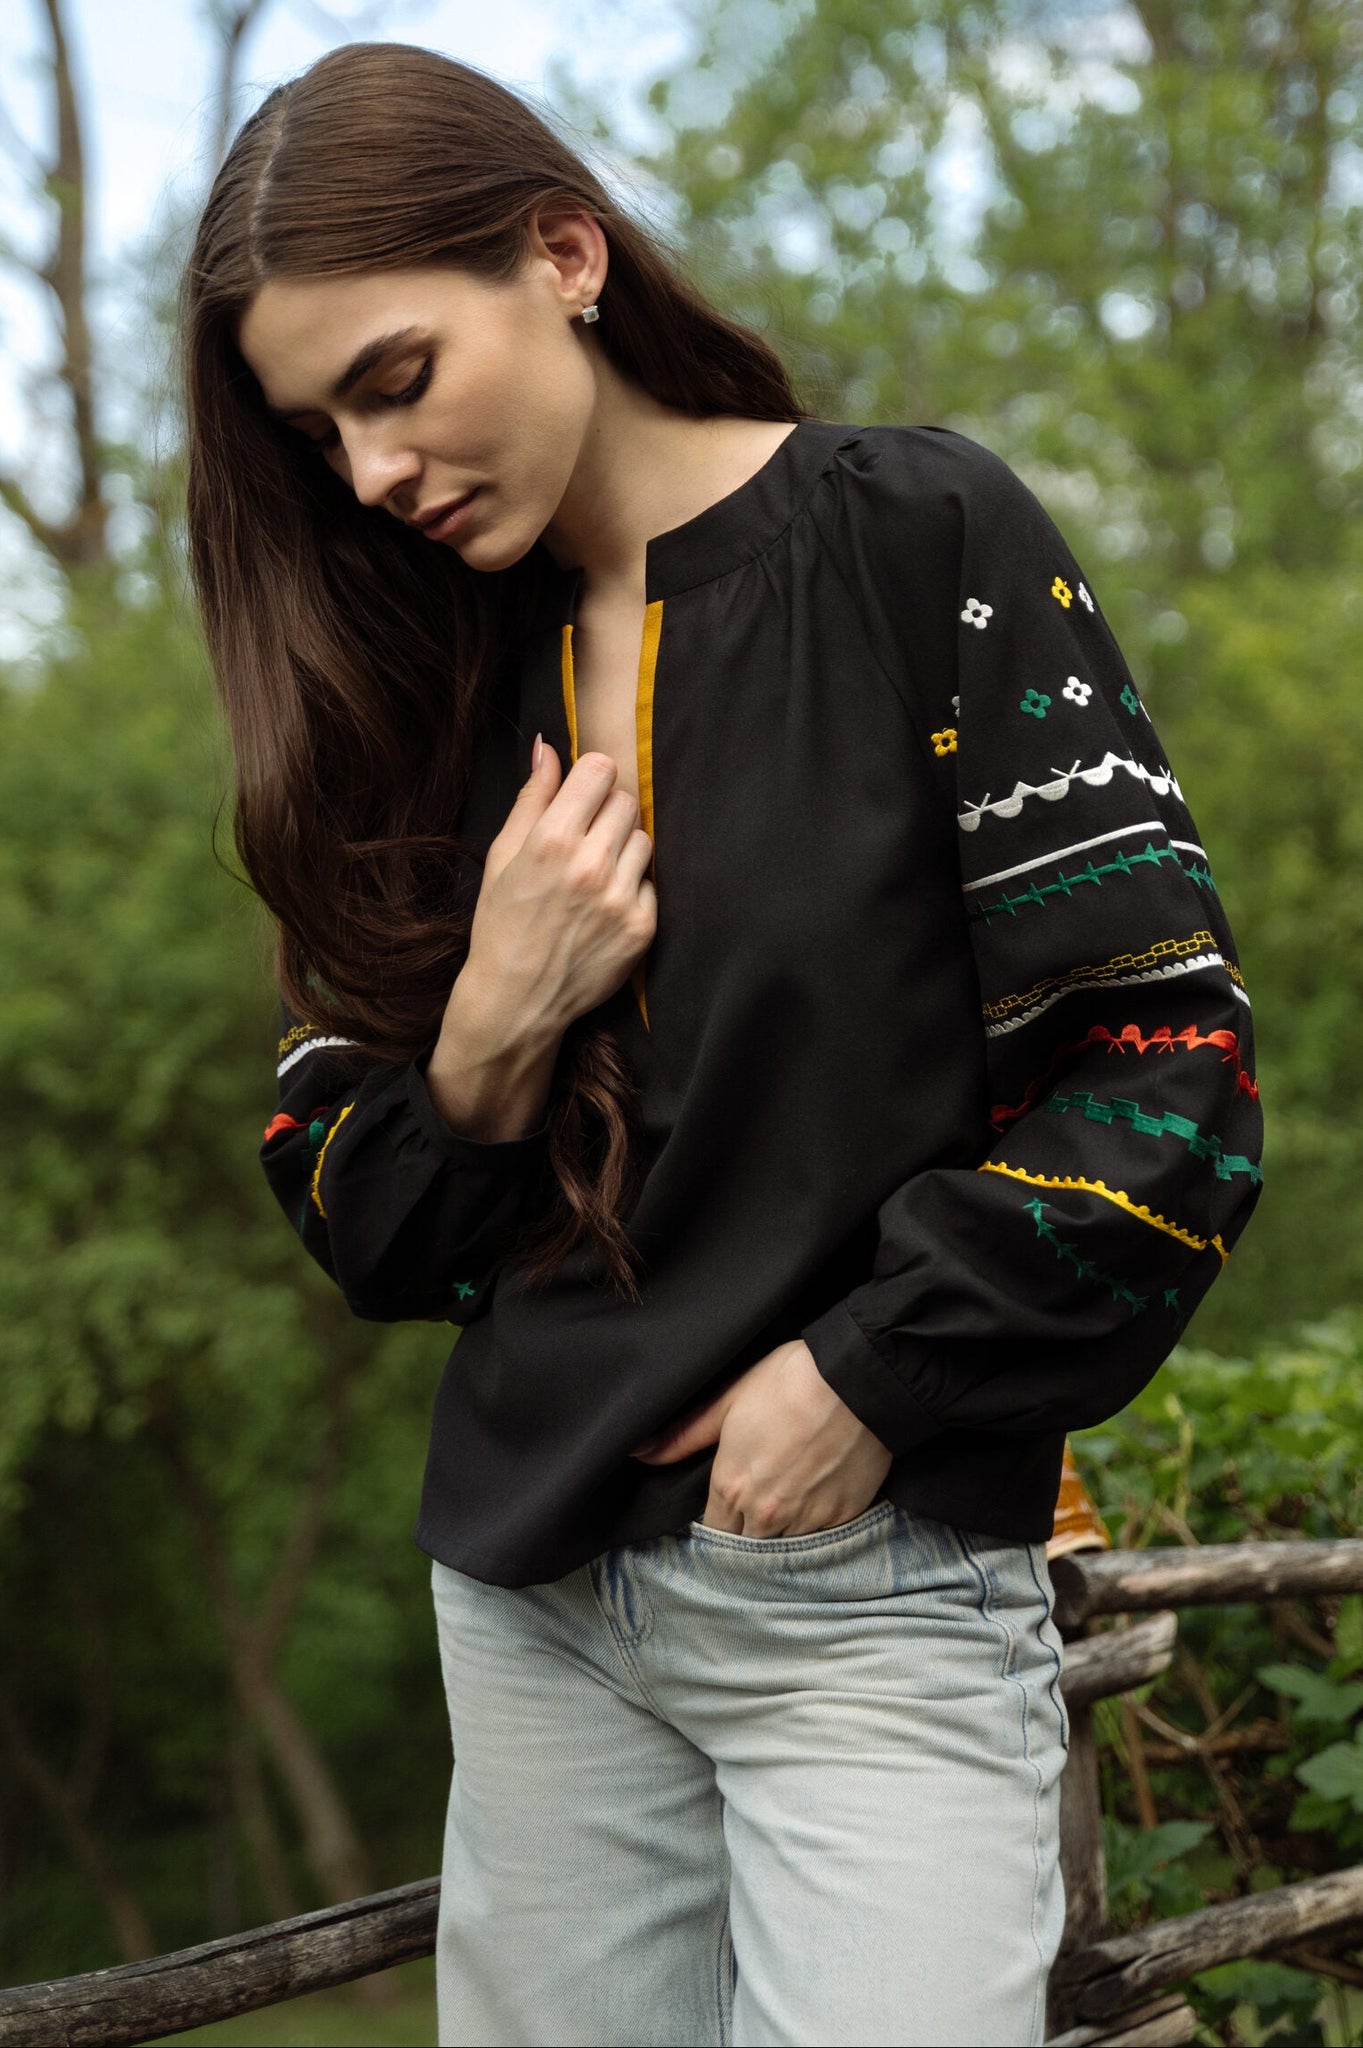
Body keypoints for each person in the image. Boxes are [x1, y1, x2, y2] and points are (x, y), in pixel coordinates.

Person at [180, 40, 1264, 2048]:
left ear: (564, 253)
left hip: (867, 1586)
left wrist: (865, 1372)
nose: (374, 476)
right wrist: (493, 1030)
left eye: (395, 380)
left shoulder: (919, 541)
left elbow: (1167, 1070)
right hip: (529, 1614)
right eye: (318, 432)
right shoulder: (403, 677)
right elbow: (353, 1209)